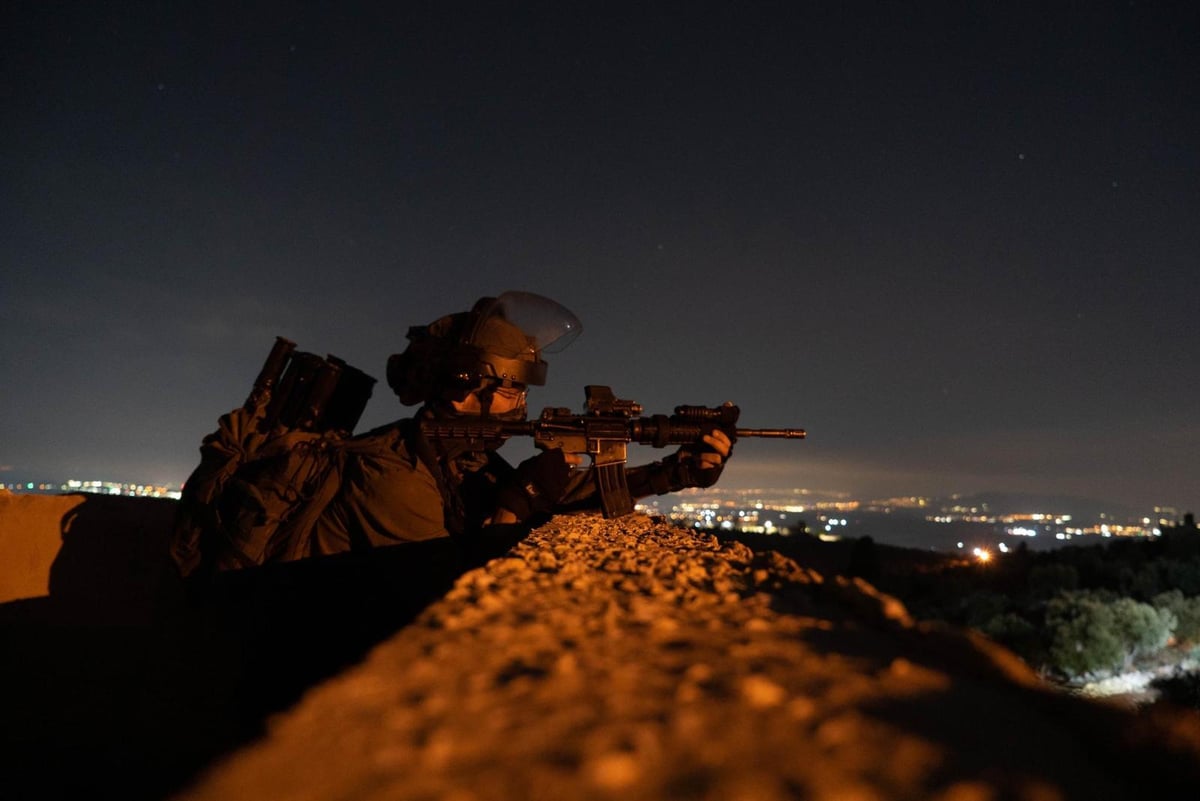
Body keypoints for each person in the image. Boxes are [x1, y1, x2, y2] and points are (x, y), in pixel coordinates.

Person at [170, 291, 732, 575]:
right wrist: (524, 496)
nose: (521, 404)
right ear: (468, 387)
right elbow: (468, 572)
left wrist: (676, 471)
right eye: (512, 389)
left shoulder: (453, 459)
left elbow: (552, 492)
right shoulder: (391, 476)